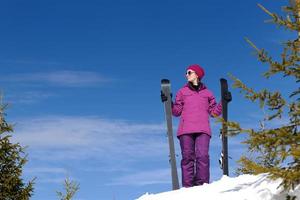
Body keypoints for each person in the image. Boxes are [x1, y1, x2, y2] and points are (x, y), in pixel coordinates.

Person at [161, 64, 222, 187]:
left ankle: (202, 185)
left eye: (189, 72)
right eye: (186, 73)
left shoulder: (208, 93)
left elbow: (214, 113)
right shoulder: (182, 92)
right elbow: (177, 112)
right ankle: (188, 187)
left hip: (203, 129)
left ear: (197, 74)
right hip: (186, 130)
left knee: (203, 157)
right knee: (187, 157)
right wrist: (169, 102)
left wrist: (223, 102)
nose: (186, 75)